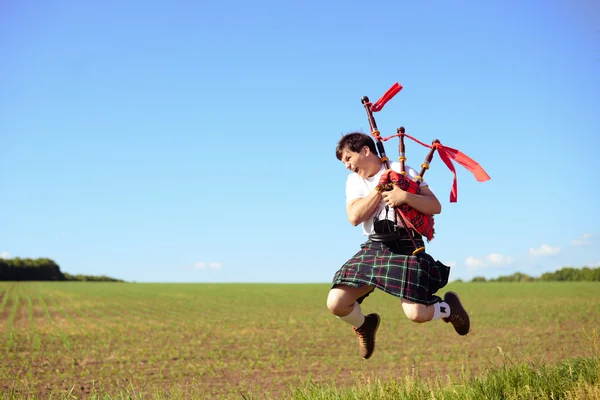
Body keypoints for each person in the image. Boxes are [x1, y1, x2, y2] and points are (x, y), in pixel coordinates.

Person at [327, 132, 470, 360]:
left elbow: (435, 206)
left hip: (407, 247)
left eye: (348, 158)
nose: (346, 166)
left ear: (365, 151)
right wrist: (380, 189)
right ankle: (365, 325)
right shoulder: (354, 181)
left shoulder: (403, 170)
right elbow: (354, 217)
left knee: (416, 314)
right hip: (375, 247)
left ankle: (449, 308)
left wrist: (404, 196)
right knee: (336, 303)